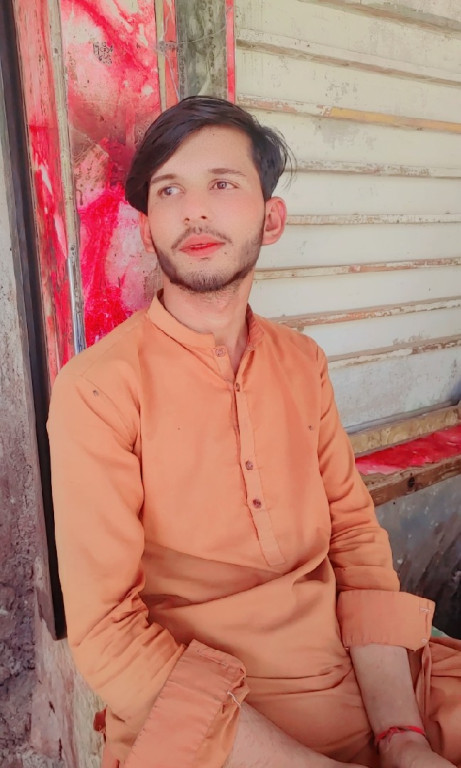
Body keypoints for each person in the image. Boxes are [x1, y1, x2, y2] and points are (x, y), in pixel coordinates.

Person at [47, 96, 461, 768]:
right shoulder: (97, 389)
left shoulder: (302, 362)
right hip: (210, 726)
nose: (194, 211)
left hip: (363, 676)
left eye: (222, 184)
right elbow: (108, 633)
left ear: (271, 219)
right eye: (169, 190)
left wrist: (402, 739)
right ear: (147, 227)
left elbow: (355, 541)